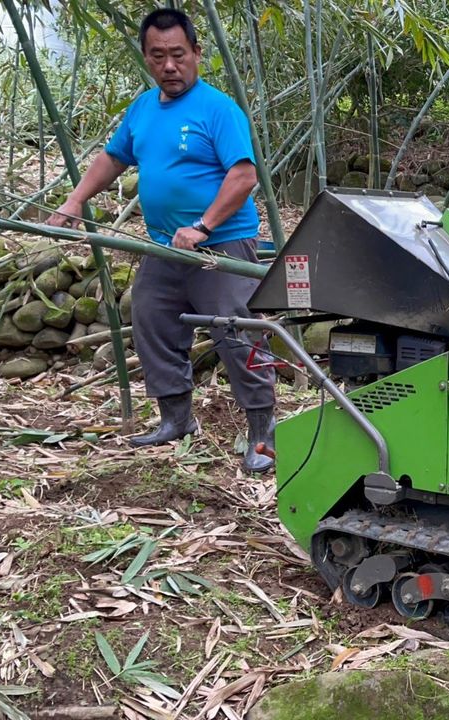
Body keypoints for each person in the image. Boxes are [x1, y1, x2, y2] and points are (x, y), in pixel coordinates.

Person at [47, 7, 276, 474]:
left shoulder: (218, 109)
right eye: (158, 56)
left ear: (196, 53)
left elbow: (243, 175)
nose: (169, 65)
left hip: (221, 247)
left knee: (235, 331)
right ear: (147, 58)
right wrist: (73, 203)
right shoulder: (143, 108)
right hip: (163, 248)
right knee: (152, 319)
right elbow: (113, 159)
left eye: (178, 54)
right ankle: (176, 420)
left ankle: (263, 434)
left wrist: (204, 226)